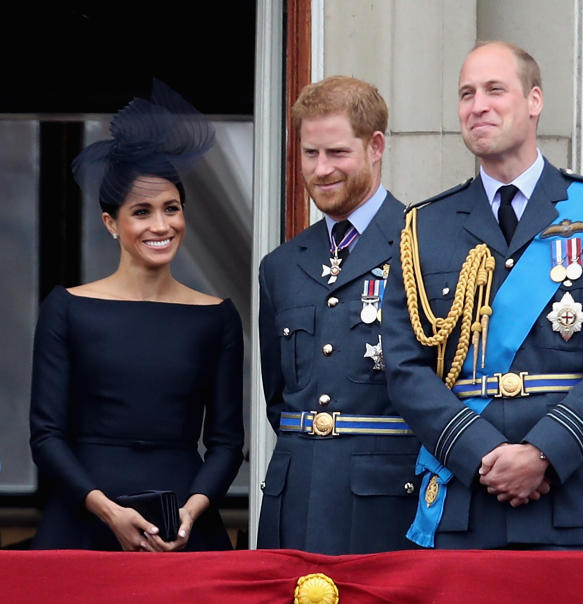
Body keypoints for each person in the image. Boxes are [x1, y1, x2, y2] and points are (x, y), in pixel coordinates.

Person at [381, 41, 583, 550]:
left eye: (493, 90)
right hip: (467, 499)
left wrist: (544, 451)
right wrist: (480, 453)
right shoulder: (423, 226)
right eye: (466, 94)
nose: (476, 105)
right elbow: (404, 366)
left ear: (534, 100)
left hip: (578, 499)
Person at [30, 80, 243, 551]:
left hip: (183, 527)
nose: (161, 225)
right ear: (112, 223)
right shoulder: (66, 308)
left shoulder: (217, 317)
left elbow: (227, 442)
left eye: (172, 208)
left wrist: (195, 507)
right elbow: (46, 436)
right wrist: (105, 509)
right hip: (83, 523)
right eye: (142, 211)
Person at [257, 76, 419, 554]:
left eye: (337, 153)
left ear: (376, 147)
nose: (321, 169)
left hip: (387, 504)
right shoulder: (281, 265)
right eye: (310, 154)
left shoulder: (424, 244)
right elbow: (277, 398)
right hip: (296, 497)